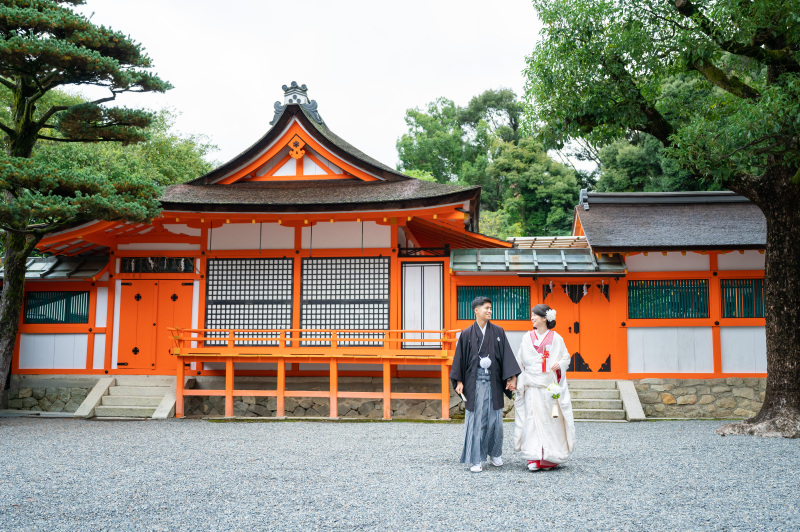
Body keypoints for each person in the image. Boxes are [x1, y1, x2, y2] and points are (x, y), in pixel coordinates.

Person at [450, 296, 521, 472]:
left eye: (490, 308)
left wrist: (512, 377)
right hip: (474, 383)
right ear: (476, 310)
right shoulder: (466, 334)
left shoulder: (498, 331)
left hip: (493, 382)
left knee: (495, 419)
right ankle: (476, 459)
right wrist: (459, 381)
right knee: (475, 420)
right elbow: (459, 359)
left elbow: (506, 356)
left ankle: (495, 453)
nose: (490, 311)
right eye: (486, 308)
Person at [513, 303, 575, 471]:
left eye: (535, 315)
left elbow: (566, 358)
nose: (532, 318)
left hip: (548, 387)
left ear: (544, 318)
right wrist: (515, 380)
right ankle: (533, 457)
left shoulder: (557, 338)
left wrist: (560, 364)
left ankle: (550, 457)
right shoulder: (527, 337)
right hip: (532, 387)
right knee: (531, 420)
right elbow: (519, 361)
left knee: (550, 421)